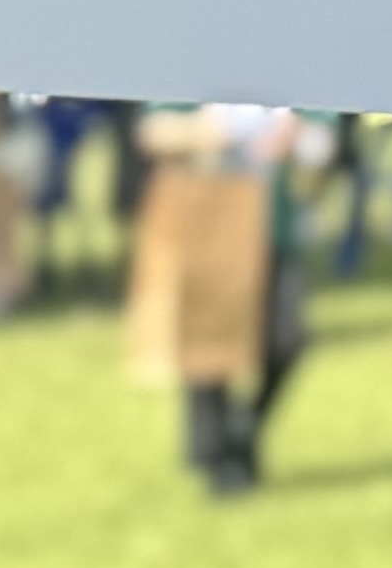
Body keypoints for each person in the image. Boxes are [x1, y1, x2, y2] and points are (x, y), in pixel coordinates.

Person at [123, 103, 306, 493]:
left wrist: (296, 139)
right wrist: (213, 131)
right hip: (208, 221)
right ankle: (218, 455)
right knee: (208, 340)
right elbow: (153, 130)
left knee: (286, 339)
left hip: (270, 226)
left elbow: (321, 137)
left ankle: (241, 430)